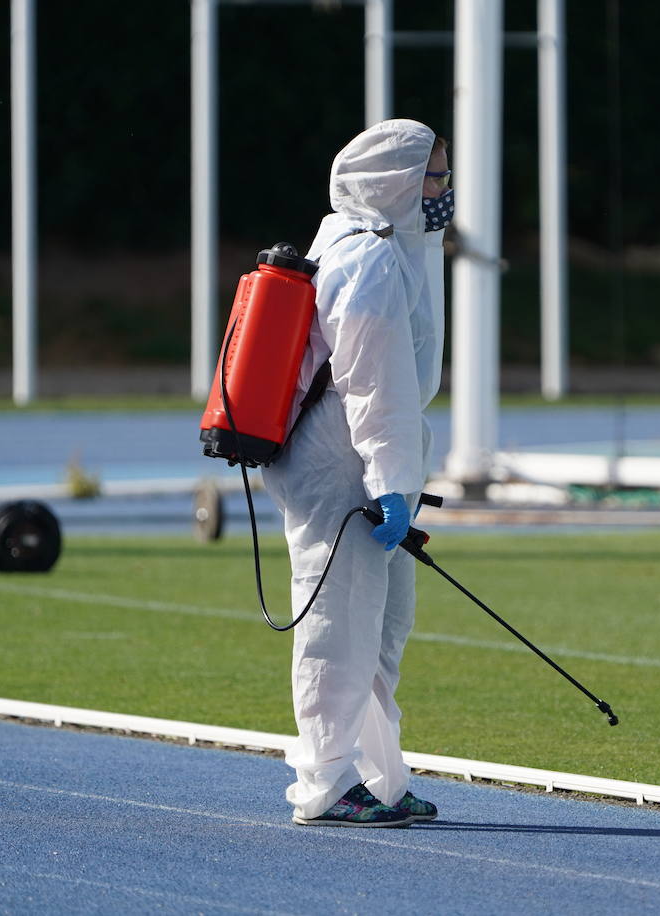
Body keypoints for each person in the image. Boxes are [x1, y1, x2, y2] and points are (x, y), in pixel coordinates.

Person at [262, 119, 452, 827]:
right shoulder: (366, 257)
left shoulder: (383, 247)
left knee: (381, 628)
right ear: (397, 182)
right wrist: (391, 481)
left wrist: (394, 476)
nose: (444, 191)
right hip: (343, 462)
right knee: (339, 625)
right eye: (434, 177)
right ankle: (326, 781)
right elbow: (375, 385)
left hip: (362, 459)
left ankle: (379, 775)